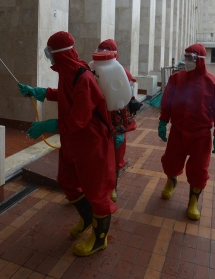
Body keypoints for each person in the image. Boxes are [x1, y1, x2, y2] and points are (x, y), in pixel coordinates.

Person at [17, 31, 116, 256]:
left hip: (92, 145)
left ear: (58, 54)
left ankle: (100, 239)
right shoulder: (67, 72)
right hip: (73, 143)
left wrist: (48, 125)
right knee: (67, 182)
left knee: (97, 193)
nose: (48, 57)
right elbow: (64, 95)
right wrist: (39, 92)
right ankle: (88, 218)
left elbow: (78, 119)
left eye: (49, 53)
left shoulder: (84, 78)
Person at [158, 43, 215, 220]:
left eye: (190, 58)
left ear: (199, 60)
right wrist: (163, 121)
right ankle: (171, 181)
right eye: (185, 57)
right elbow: (167, 100)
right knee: (171, 161)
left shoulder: (212, 83)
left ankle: (193, 201)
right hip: (178, 130)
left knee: (199, 169)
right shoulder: (176, 78)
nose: (186, 61)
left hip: (200, 135)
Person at [96, 39, 137, 203]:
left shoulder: (123, 73)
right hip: (99, 121)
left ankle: (113, 187)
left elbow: (128, 101)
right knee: (99, 157)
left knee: (117, 157)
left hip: (117, 124)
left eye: (105, 50)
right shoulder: (93, 71)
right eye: (100, 50)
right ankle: (98, 187)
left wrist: (122, 128)